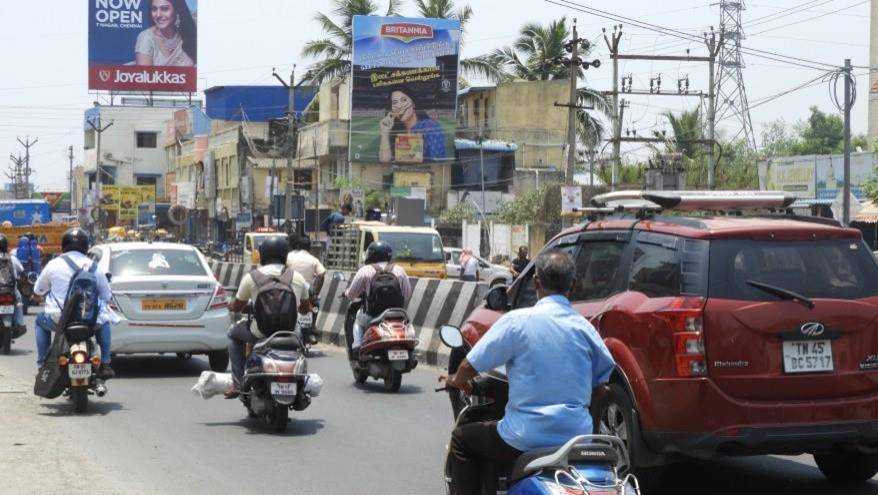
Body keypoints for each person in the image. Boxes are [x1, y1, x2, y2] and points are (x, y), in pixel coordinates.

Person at [442, 250, 616, 495]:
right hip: (577, 438)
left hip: (523, 437)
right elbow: (601, 386)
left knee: (462, 440)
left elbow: (469, 366)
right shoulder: (585, 329)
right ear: (573, 286)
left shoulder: (517, 321)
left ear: (536, 282)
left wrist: (457, 381)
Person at [226, 235, 310, 398]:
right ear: (285, 255)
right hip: (290, 332)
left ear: (263, 255)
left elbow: (237, 307)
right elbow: (306, 309)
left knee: (232, 334)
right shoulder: (297, 277)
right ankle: (302, 381)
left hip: (260, 333)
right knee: (302, 346)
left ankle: (237, 384)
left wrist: (230, 305)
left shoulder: (252, 277)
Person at [31, 228, 118, 379]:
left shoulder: (53, 264)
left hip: (59, 320)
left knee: (39, 321)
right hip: (88, 320)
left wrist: (40, 296)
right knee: (104, 320)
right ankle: (105, 363)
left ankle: (42, 365)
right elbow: (106, 295)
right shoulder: (94, 266)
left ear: (63, 245)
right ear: (85, 246)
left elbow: (38, 290)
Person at [343, 241, 412, 354]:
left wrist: (346, 293)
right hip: (397, 314)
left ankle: (357, 346)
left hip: (373, 315)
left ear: (370, 255)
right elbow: (407, 294)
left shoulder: (365, 270)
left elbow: (352, 295)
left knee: (358, 323)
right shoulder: (399, 270)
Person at [378, 87, 446, 164]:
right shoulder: (395, 130)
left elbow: (437, 162)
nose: (399, 106)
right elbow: (384, 162)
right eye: (394, 102)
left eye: (404, 100)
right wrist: (384, 133)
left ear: (413, 104)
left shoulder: (431, 127)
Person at [135, 0, 197, 67]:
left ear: (177, 10)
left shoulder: (188, 34)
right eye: (154, 9)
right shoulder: (146, 37)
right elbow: (144, 75)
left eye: (164, 9)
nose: (158, 15)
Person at [0, 234, 27, 337]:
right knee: (19, 300)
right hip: (10, 290)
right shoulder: (12, 258)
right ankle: (20, 323)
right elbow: (21, 269)